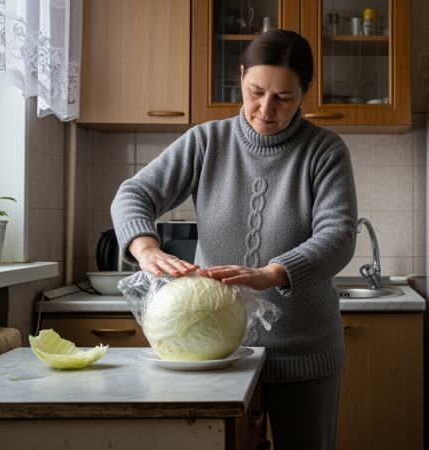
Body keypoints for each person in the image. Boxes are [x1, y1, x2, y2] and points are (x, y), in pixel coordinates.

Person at [110, 30, 357, 450]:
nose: (266, 109)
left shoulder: (324, 149)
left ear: (306, 92)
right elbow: (133, 194)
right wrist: (145, 246)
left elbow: (339, 236)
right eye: (255, 91)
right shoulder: (207, 141)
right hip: (215, 353)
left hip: (305, 351)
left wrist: (271, 274)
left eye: (284, 97)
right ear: (240, 77)